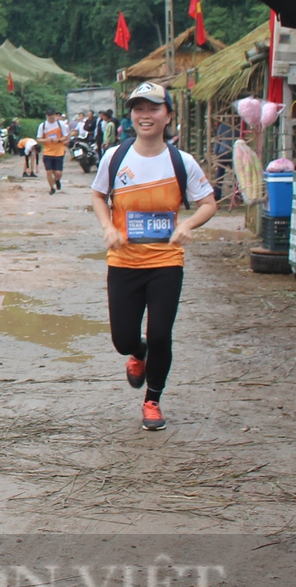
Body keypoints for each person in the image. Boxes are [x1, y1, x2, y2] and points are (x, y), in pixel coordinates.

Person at [89, 81, 217, 432]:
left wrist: (189, 224)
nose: (145, 115)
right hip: (124, 262)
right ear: (131, 115)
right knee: (123, 339)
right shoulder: (115, 157)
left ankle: (153, 400)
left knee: (161, 334)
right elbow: (99, 196)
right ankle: (137, 352)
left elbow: (209, 204)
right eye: (138, 109)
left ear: (168, 116)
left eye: (153, 108)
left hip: (166, 262)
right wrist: (107, 228)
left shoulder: (182, 162)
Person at [38, 108, 68, 195]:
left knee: (58, 172)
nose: (51, 117)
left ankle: (57, 180)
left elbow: (65, 136)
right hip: (47, 152)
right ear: (46, 116)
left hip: (59, 151)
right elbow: (39, 139)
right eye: (49, 116)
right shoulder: (42, 126)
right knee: (48, 171)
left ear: (55, 115)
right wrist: (47, 140)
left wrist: (58, 140)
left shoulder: (60, 124)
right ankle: (52, 188)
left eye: (52, 115)